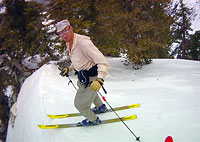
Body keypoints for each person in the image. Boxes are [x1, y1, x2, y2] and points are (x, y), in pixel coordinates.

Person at [56, 20, 110, 126]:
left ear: (71, 28)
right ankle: (100, 107)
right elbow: (79, 59)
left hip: (92, 77)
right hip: (84, 76)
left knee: (80, 104)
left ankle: (93, 120)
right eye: (61, 33)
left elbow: (102, 61)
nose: (64, 35)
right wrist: (70, 68)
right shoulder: (70, 42)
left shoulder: (83, 43)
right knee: (89, 93)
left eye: (65, 31)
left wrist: (100, 80)